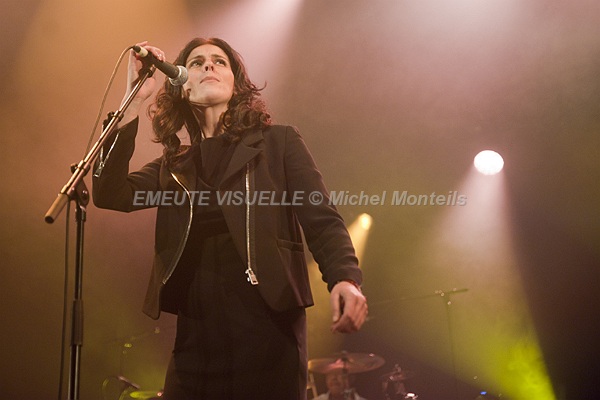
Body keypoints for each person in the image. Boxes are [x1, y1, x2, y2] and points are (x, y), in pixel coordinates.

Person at [92, 37, 368, 400]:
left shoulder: (277, 143)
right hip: (195, 338)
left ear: (236, 85)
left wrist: (345, 278)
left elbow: (322, 220)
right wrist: (132, 101)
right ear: (181, 85)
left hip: (268, 329)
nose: (208, 65)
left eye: (219, 61)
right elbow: (110, 193)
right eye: (196, 62)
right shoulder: (175, 166)